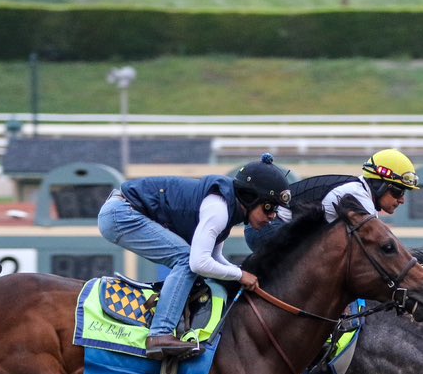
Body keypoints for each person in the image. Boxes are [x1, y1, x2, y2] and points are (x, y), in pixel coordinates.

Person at [98, 153, 291, 360]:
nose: (272, 217)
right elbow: (199, 263)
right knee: (186, 259)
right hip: (121, 214)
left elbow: (214, 259)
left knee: (189, 260)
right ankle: (160, 334)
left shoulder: (227, 210)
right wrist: (239, 275)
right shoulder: (219, 210)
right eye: (269, 207)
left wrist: (240, 274)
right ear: (250, 197)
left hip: (123, 210)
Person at [246, 148, 421, 251]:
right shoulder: (358, 196)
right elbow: (380, 248)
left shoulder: (361, 194)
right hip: (268, 229)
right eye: (398, 192)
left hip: (274, 228)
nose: (402, 200)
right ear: (380, 184)